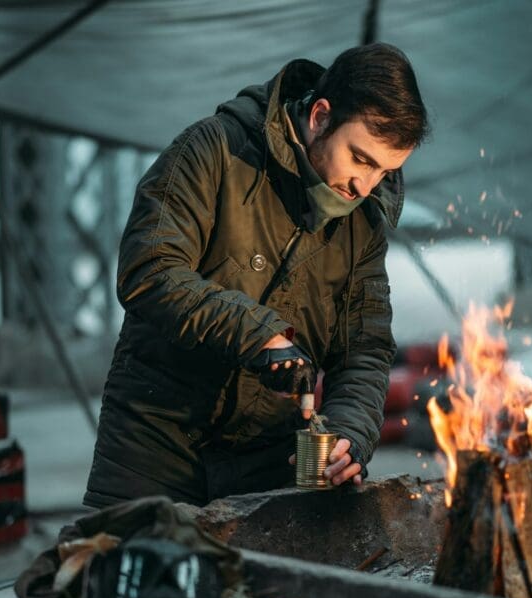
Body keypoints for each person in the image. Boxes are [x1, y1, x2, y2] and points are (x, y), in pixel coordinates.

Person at [84, 43, 429, 508]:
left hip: (267, 463)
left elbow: (363, 351)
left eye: (385, 172)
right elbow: (151, 269)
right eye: (361, 159)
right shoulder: (213, 152)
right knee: (127, 574)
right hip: (151, 447)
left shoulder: (362, 225)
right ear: (320, 117)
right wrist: (258, 333)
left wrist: (349, 437)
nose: (363, 187)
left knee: (256, 582)